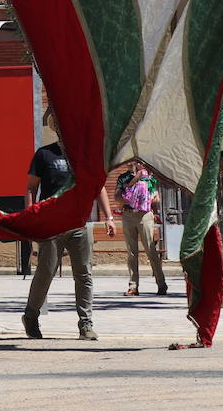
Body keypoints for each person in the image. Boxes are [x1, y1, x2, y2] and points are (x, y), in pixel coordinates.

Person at [21, 140, 116, 341]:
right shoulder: (45, 154)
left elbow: (98, 186)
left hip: (79, 224)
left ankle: (86, 324)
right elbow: (31, 188)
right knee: (46, 272)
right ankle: (31, 316)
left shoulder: (84, 155)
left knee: (84, 274)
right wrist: (30, 218)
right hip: (52, 224)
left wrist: (108, 217)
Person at [117, 164, 167, 297]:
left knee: (151, 250)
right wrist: (131, 198)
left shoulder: (149, 178)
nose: (130, 163)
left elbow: (156, 197)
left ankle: (161, 284)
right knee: (131, 252)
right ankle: (133, 286)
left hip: (144, 215)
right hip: (128, 214)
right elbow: (116, 197)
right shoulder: (123, 178)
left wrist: (153, 199)